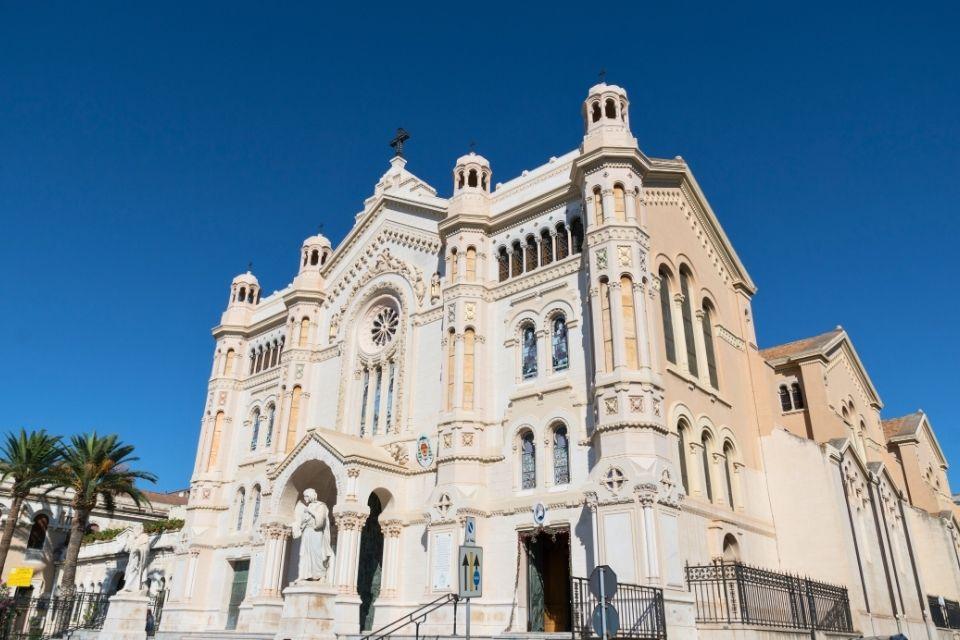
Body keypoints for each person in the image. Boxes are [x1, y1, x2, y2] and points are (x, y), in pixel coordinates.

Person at [292, 488, 335, 583]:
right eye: (304, 496)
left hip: (316, 532)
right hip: (306, 533)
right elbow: (303, 521)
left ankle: (321, 575)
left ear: (311, 495)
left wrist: (311, 511)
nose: (305, 498)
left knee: (317, 553)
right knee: (304, 554)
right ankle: (304, 575)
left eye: (306, 496)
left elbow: (320, 520)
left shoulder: (321, 506)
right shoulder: (308, 507)